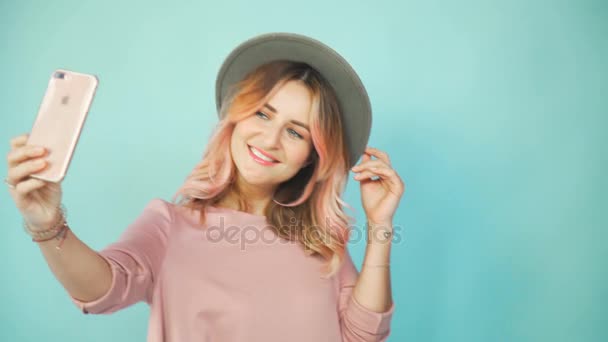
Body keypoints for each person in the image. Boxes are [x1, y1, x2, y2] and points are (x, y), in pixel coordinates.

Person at [5, 32, 405, 342]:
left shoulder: (322, 243)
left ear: (312, 157)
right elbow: (102, 288)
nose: (269, 140)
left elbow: (362, 334)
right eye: (263, 113)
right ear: (237, 116)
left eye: (296, 133)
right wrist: (47, 224)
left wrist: (380, 226)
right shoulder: (170, 224)